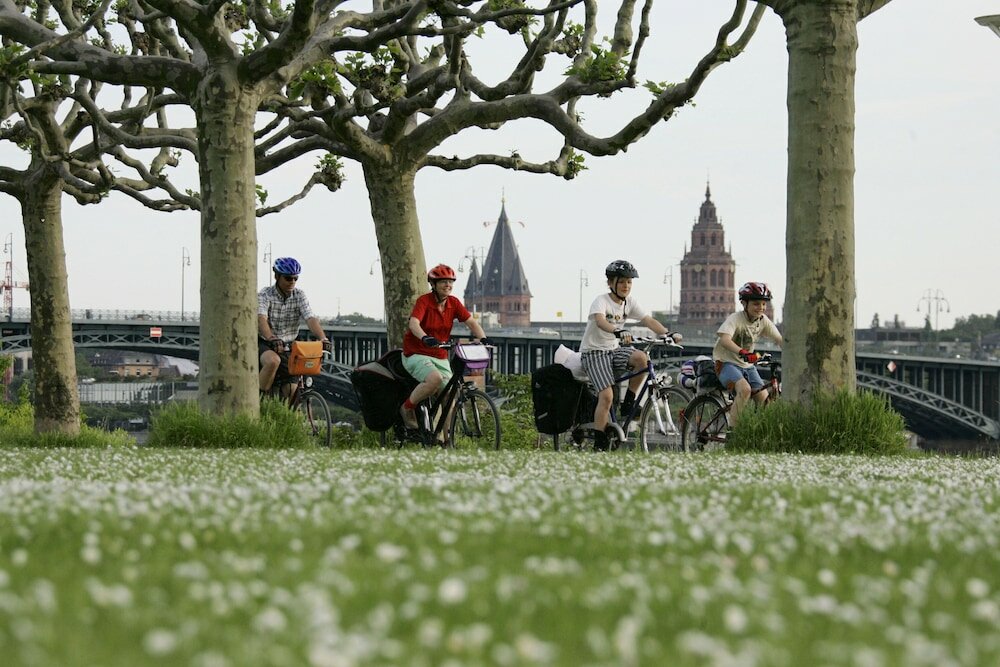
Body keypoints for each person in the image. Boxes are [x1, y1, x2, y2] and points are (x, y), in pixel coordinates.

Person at [579, 260, 682, 450]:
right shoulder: (601, 301)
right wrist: (617, 332)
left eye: (629, 282)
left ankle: (629, 403)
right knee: (607, 396)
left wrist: (667, 334)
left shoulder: (630, 303)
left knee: (642, 359)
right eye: (622, 282)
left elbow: (648, 320)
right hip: (593, 352)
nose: (626, 286)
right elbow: (601, 322)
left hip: (613, 350)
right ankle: (600, 443)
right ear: (611, 283)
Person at [400, 263, 490, 431]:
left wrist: (483, 339)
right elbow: (414, 323)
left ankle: (444, 439)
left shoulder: (454, 303)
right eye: (443, 282)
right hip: (416, 353)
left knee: (450, 395)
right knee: (435, 379)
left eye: (450, 282)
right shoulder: (424, 301)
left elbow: (470, 322)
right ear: (433, 285)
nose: (448, 285)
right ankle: (407, 408)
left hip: (439, 354)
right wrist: (424, 337)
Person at [712, 281, 784, 425]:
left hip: (747, 366)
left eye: (764, 304)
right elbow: (725, 340)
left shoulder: (763, 321)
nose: (761, 308)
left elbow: (779, 340)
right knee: (745, 390)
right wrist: (742, 352)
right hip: (725, 363)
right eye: (756, 304)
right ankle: (732, 434)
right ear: (745, 304)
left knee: (765, 401)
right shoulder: (735, 319)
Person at [258, 257, 331, 394]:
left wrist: (323, 338)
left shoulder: (299, 295)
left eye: (295, 278)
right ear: (277, 276)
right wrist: (271, 337)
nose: (292, 282)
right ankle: (258, 402)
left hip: (288, 346)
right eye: (288, 278)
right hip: (265, 342)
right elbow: (261, 318)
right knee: (273, 361)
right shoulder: (265, 294)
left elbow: (310, 318)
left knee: (291, 391)